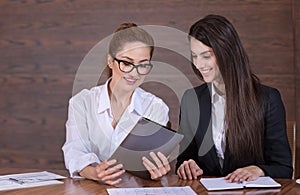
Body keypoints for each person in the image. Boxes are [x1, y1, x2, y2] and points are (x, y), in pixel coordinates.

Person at [176, 14, 293, 182]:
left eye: (206, 56)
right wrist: (187, 165)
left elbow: (283, 168)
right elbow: (184, 159)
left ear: (227, 52)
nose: (199, 64)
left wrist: (258, 170)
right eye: (195, 56)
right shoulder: (191, 99)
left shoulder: (267, 99)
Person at [62, 23, 171, 185]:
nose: (134, 73)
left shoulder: (156, 108)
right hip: (91, 189)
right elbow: (74, 151)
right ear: (110, 61)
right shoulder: (82, 102)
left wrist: (156, 171)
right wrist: (95, 173)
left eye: (142, 65)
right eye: (127, 63)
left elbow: (151, 165)